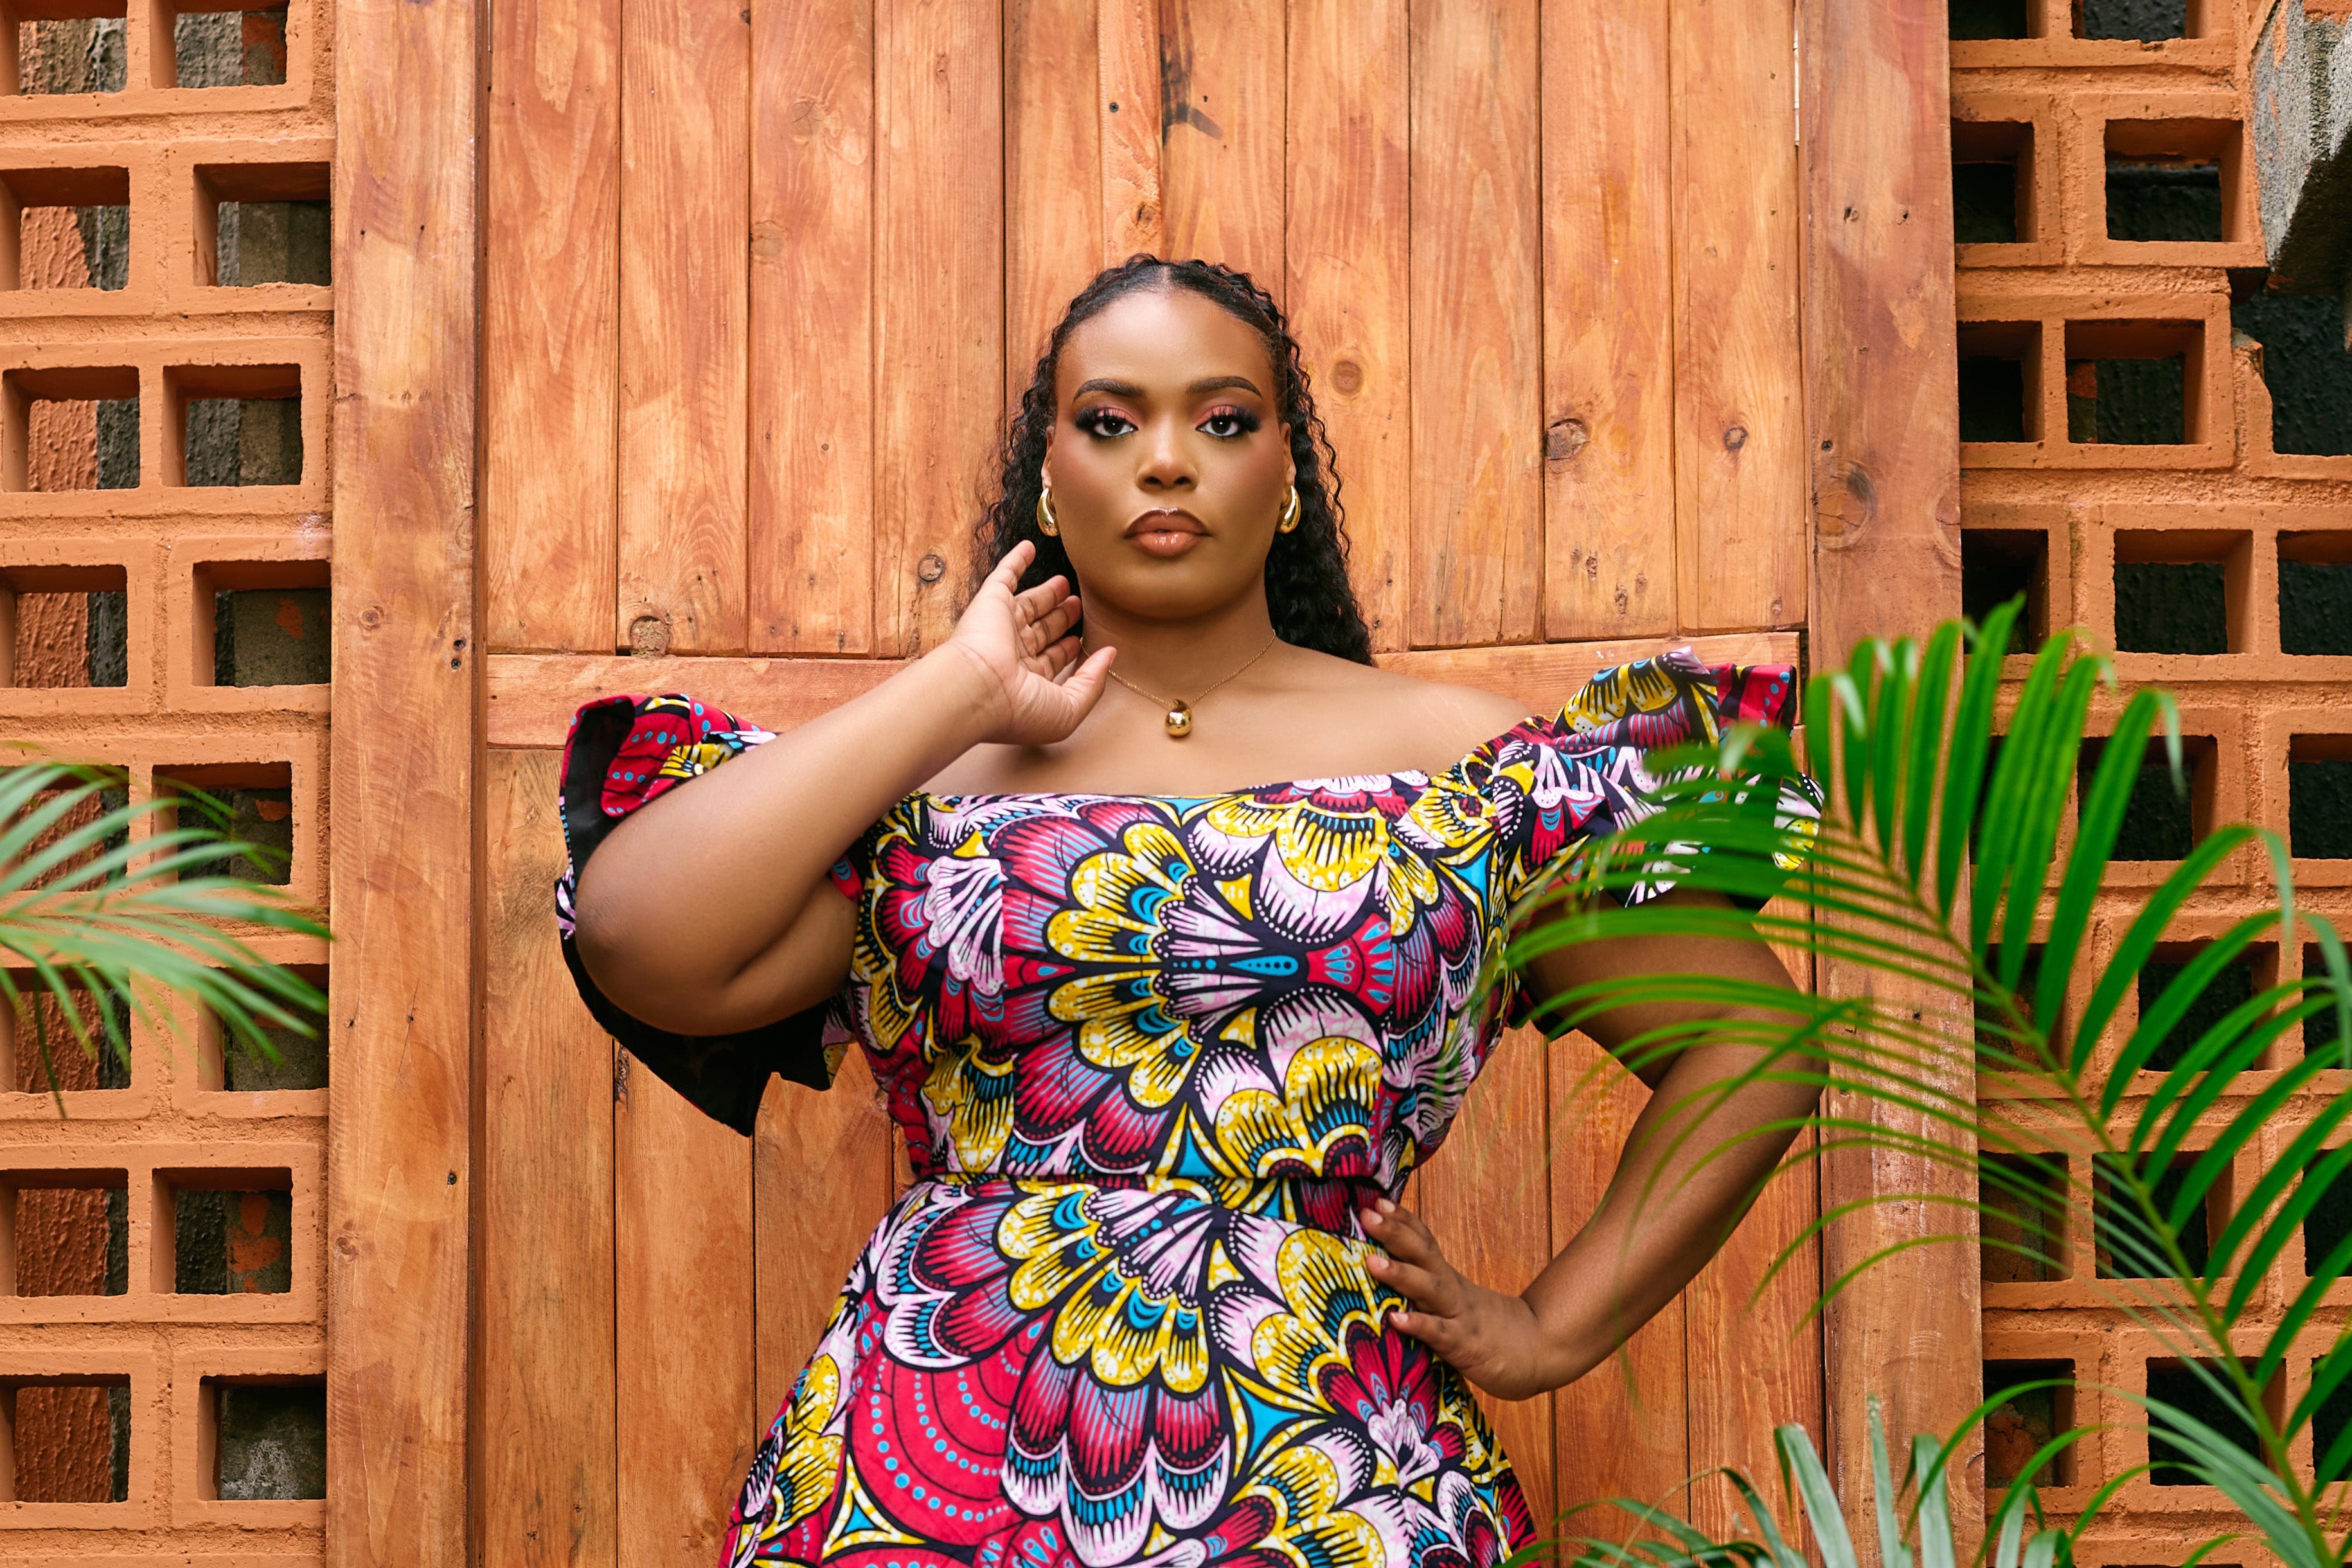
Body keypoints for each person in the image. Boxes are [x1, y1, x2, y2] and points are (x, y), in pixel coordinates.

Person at [557, 256, 1822, 1568]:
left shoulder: (1467, 779)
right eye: (1112, 422)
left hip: (1337, 1492)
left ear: (1288, 477)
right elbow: (637, 937)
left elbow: (1755, 1042)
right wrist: (959, 690)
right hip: (925, 1478)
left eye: (1222, 419)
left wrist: (1549, 1329)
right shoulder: (921, 791)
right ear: (1050, 483)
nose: (1166, 460)